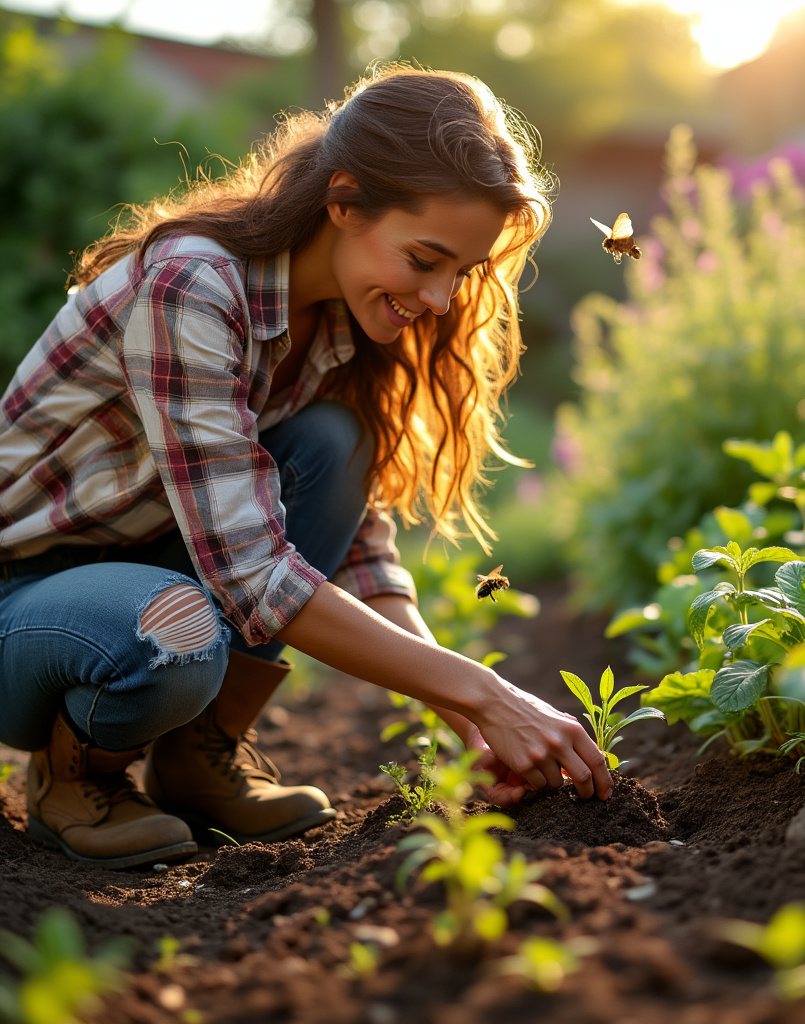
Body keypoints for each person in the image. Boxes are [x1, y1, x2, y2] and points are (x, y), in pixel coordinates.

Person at [0, 64, 613, 870]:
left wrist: (461, 719)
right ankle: (75, 779)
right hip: (27, 606)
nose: (439, 299)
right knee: (178, 629)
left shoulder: (334, 325)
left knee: (337, 443)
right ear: (344, 201)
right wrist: (486, 694)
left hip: (145, 573)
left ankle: (198, 755)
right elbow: (252, 574)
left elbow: (356, 545)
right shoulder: (195, 283)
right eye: (424, 259)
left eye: (458, 273)